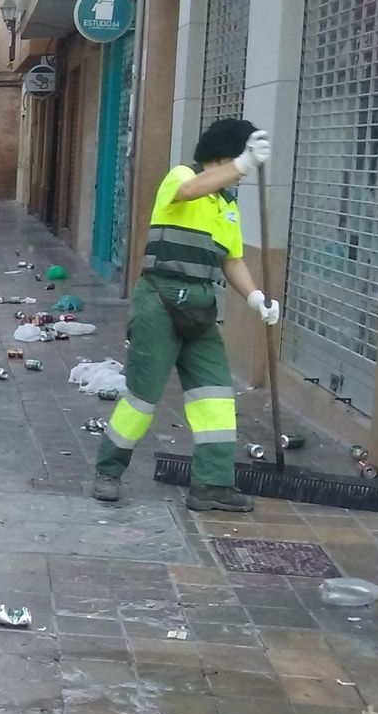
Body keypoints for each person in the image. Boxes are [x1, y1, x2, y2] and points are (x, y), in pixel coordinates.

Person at [92, 119, 280, 511]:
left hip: (200, 305)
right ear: (227, 155)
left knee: (215, 396)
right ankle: (108, 471)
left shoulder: (227, 206)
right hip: (159, 300)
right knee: (143, 398)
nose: (241, 175)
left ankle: (211, 485)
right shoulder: (182, 176)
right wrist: (245, 163)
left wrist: (256, 297)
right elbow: (190, 190)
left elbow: (233, 260)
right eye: (237, 161)